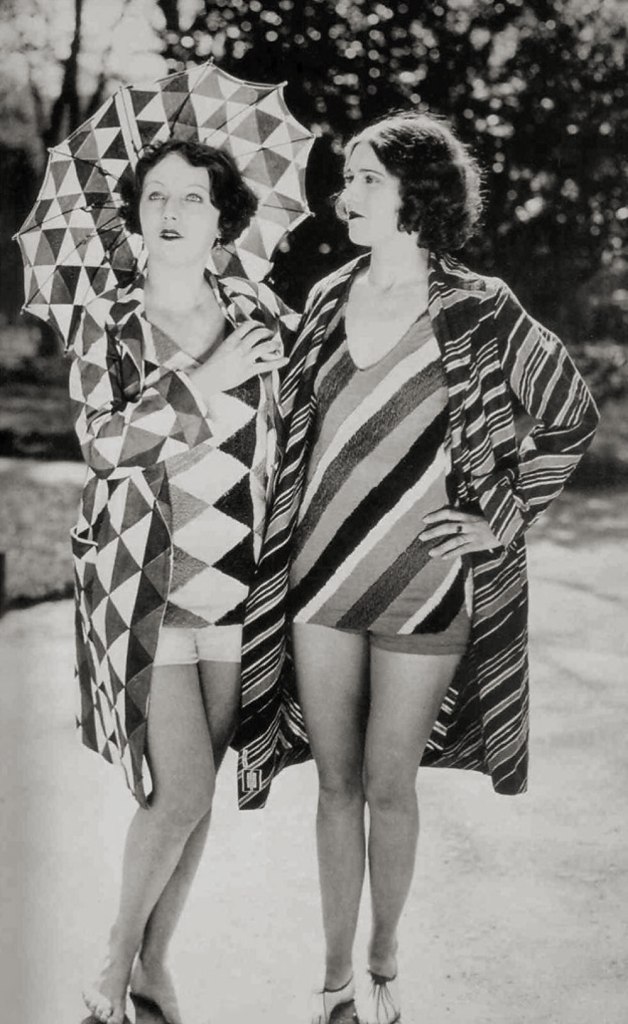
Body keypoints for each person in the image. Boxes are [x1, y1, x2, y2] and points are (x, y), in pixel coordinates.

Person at [237, 111, 599, 1024]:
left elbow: (567, 414)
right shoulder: (325, 298)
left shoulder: (481, 305)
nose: (343, 195)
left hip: (426, 580)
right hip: (319, 578)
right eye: (346, 178)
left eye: (364, 179)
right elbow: (293, 430)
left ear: (417, 194)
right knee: (333, 782)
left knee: (390, 784)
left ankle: (386, 953)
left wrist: (501, 515)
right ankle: (332, 979)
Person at [69, 137, 295, 1024]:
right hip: (145, 586)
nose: (170, 212)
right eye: (155, 196)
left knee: (195, 801)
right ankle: (111, 964)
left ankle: (156, 967)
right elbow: (101, 446)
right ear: (138, 214)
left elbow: (283, 441)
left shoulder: (256, 310)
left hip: (238, 584)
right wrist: (203, 384)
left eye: (192, 198)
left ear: (222, 215)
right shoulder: (107, 323)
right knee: (183, 791)